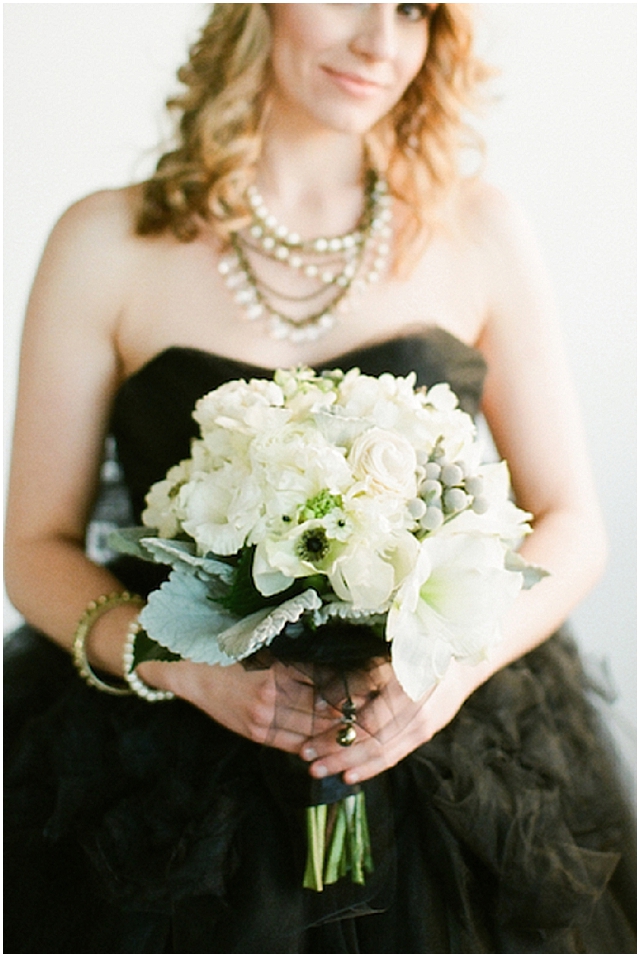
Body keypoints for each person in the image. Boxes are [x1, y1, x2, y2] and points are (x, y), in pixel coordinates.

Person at [4, 3, 635, 953]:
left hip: (445, 752)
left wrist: (447, 675)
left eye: (416, 9)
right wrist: (183, 666)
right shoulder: (102, 242)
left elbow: (573, 522)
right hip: (169, 773)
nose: (382, 43)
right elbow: (32, 547)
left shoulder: (479, 230)